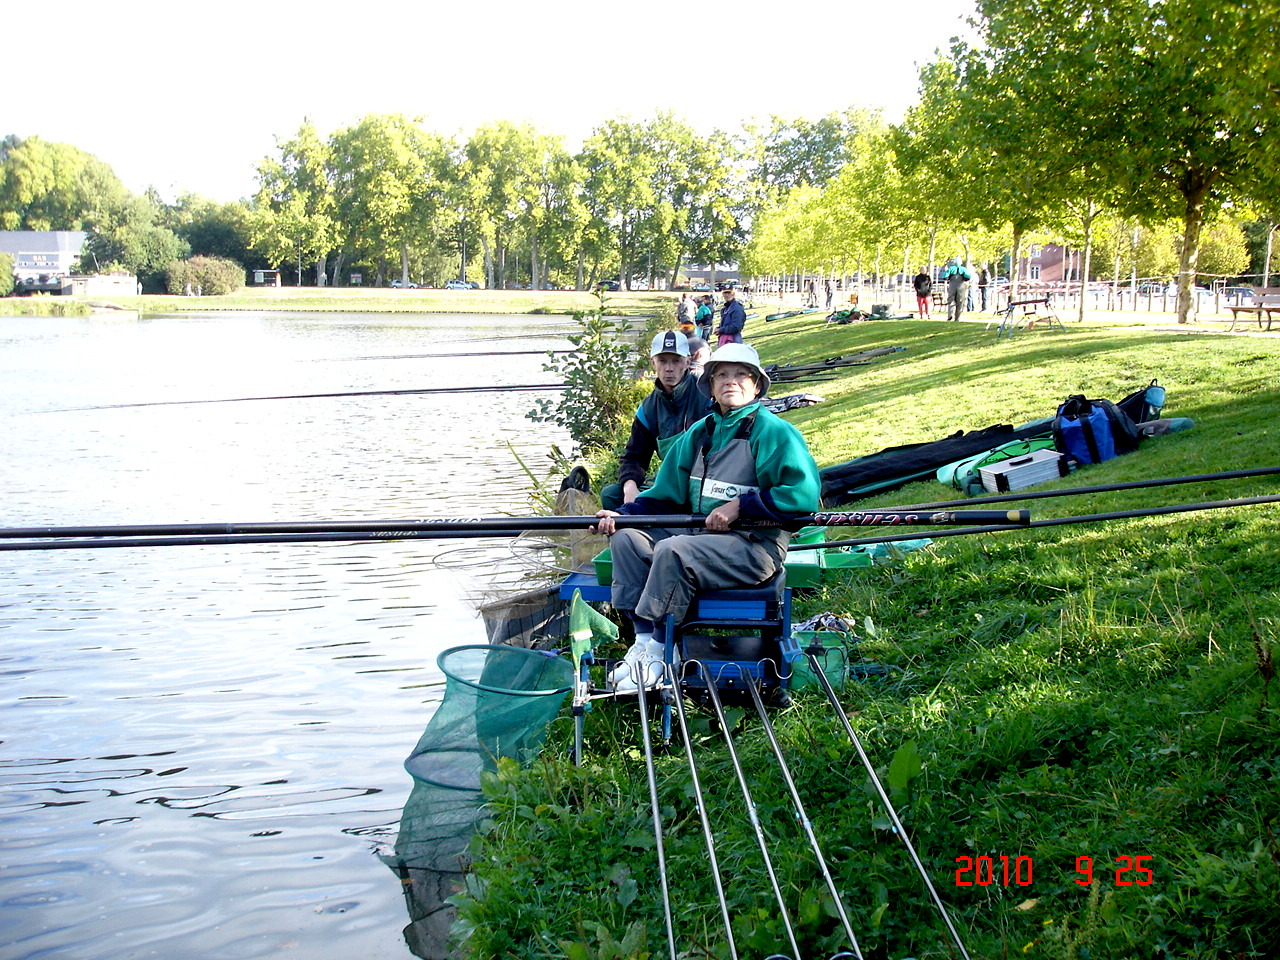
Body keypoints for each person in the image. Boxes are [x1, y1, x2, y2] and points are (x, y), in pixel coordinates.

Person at [593, 341, 821, 692]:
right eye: (722, 375)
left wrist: (740, 507)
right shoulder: (700, 433)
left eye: (741, 375)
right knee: (626, 538)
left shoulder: (773, 432)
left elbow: (803, 498)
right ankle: (642, 643)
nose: (731, 382)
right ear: (711, 385)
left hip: (755, 547)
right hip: (702, 538)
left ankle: (661, 651)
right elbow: (663, 495)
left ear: (757, 385)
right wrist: (622, 515)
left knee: (674, 550)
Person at [599, 330, 708, 511]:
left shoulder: (707, 397)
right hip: (668, 482)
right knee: (611, 495)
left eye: (676, 360)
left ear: (687, 362)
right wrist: (630, 487)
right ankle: (637, 537)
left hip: (702, 481)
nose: (669, 368)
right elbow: (634, 457)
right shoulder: (648, 409)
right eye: (663, 361)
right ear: (653, 363)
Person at [943, 258, 971, 322]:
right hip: (961, 286)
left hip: (952, 285)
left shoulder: (951, 268)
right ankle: (957, 317)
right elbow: (968, 277)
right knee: (960, 302)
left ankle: (950, 314)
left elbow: (944, 276)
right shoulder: (964, 269)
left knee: (951, 301)